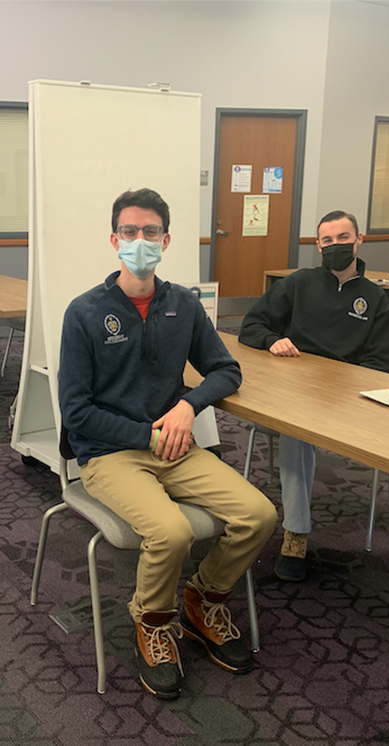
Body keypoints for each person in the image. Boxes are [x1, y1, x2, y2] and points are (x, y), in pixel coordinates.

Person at [59, 188, 277, 700]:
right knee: (172, 532)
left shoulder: (182, 304)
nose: (140, 241)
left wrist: (187, 406)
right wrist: (146, 435)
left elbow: (227, 369)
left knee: (259, 514)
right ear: (114, 240)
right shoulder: (85, 312)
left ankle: (204, 599)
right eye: (130, 232)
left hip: (174, 449)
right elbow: (76, 412)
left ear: (166, 239)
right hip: (110, 454)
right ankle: (153, 623)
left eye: (150, 232)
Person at [238, 210, 389, 580]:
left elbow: (380, 364)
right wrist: (273, 341)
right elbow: (251, 326)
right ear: (318, 245)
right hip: (299, 393)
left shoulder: (375, 299)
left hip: (355, 397)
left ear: (358, 239)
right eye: (327, 240)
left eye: (342, 238)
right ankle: (296, 532)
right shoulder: (298, 284)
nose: (335, 246)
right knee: (294, 432)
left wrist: (347, 385)